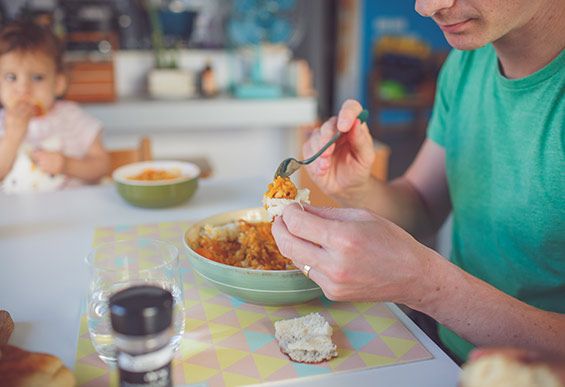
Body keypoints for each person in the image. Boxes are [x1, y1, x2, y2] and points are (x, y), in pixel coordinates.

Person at [271, 0, 565, 365]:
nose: (427, 7)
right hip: (445, 351)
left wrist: (425, 284)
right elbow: (422, 206)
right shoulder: (467, 64)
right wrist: (356, 187)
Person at [0, 21, 110, 193]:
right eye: (11, 77)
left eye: (37, 78)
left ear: (58, 83)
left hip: (73, 212)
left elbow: (101, 166)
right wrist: (12, 137)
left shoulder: (72, 118)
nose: (23, 89)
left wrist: (68, 165)